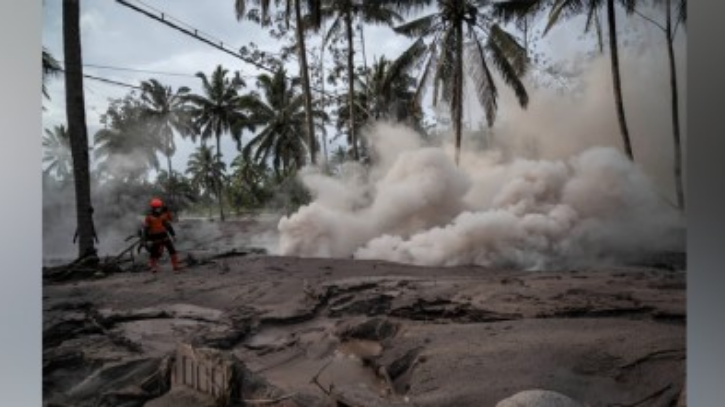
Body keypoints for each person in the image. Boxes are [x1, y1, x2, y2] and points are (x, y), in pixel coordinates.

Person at [142, 197, 181, 272]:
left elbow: (168, 226)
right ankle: (153, 267)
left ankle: (175, 266)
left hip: (164, 235)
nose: (159, 209)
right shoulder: (149, 217)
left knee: (172, 250)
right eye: (157, 208)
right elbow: (146, 229)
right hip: (155, 237)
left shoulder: (163, 216)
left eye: (159, 207)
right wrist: (146, 240)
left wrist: (173, 235)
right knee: (154, 252)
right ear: (153, 208)